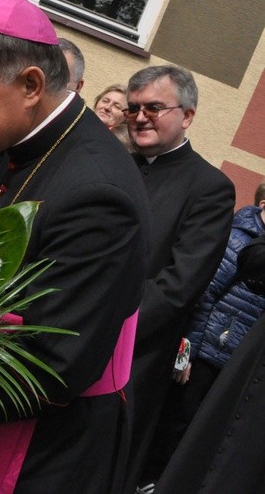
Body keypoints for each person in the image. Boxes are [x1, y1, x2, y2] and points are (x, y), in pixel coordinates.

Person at [0, 0, 151, 493]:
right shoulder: (24, 141)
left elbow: (53, 364)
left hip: (36, 454)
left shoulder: (99, 193)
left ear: (30, 85)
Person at [123, 65, 235, 493]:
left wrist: (114, 323)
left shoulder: (210, 187)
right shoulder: (116, 166)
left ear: (187, 115)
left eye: (154, 107)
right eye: (134, 108)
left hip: (136, 352)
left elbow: (180, 284)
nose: (140, 117)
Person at [138, 194, 265, 489]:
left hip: (233, 359)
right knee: (177, 425)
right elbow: (205, 293)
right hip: (208, 350)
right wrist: (187, 353)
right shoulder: (239, 237)